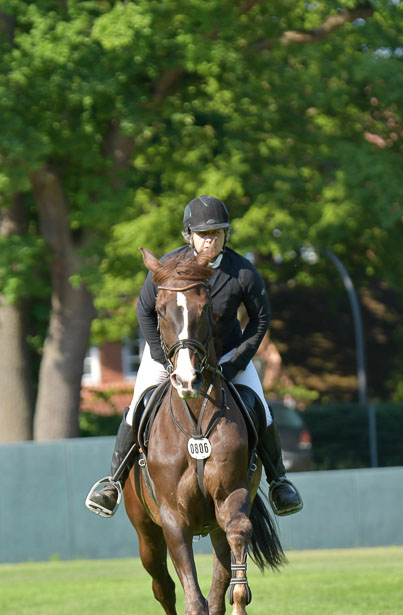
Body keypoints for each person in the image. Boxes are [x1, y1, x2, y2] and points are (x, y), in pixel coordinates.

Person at [87, 195, 303, 518]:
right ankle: (113, 482)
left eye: (217, 233)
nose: (210, 240)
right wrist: (163, 357)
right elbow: (143, 311)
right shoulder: (169, 267)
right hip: (173, 355)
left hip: (227, 354)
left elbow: (260, 320)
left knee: (261, 406)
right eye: (203, 234)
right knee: (139, 405)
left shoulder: (242, 272)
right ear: (189, 235)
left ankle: (278, 482)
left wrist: (237, 361)